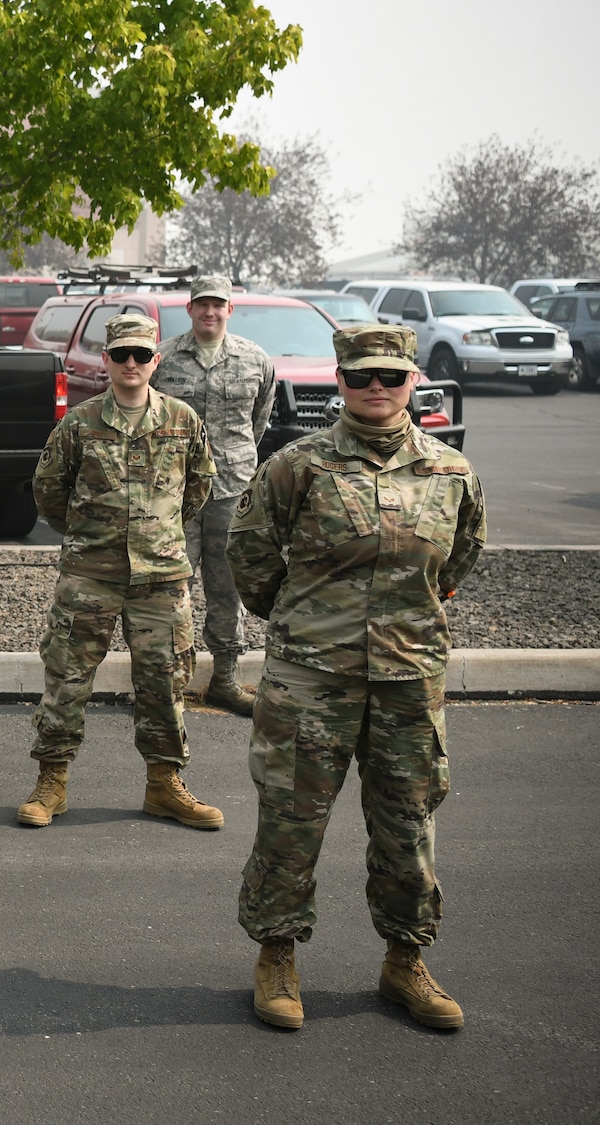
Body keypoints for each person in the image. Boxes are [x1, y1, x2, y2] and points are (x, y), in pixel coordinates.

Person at [228, 324, 486, 1032]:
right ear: (340, 380)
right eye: (362, 375)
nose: (377, 387)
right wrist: (300, 618)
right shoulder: (297, 464)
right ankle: (275, 955)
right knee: (291, 823)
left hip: (409, 681)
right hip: (311, 680)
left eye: (392, 376)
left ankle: (405, 959)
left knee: (408, 826)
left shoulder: (452, 471)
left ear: (413, 382)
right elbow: (250, 552)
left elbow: (458, 561)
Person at [18, 313, 221, 830]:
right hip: (90, 574)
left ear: (156, 360)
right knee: (67, 679)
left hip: (161, 578)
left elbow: (198, 487)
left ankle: (164, 784)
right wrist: (91, 536)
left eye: (141, 355)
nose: (131, 364)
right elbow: (49, 491)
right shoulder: (79, 423)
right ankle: (52, 781)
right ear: (106, 361)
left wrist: (157, 533)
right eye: (121, 355)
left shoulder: (182, 420)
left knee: (165, 683)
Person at [152, 275, 277, 714]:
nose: (210, 312)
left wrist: (235, 461)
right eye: (202, 304)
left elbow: (258, 420)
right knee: (170, 585)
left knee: (228, 587)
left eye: (218, 305)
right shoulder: (163, 358)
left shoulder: (255, 359)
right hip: (176, 491)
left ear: (230, 309)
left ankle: (225, 677)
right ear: (189, 309)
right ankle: (170, 680)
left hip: (231, 490)